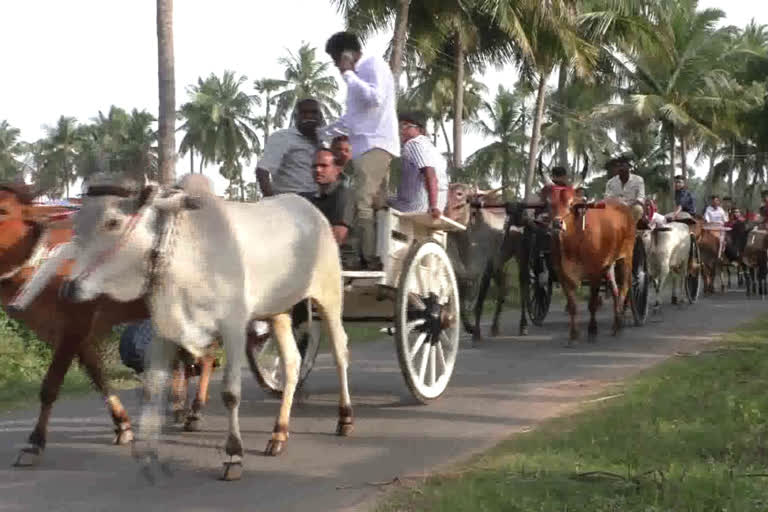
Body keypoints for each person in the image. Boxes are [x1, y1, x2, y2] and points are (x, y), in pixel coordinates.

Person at [323, 31, 399, 270]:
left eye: (336, 60)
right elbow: (352, 120)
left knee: (359, 202)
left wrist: (347, 74)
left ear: (346, 54)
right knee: (375, 205)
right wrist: (323, 132)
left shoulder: (371, 65)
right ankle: (377, 254)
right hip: (365, 147)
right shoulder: (358, 76)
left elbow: (375, 98)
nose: (336, 66)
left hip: (375, 145)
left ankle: (368, 259)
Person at [256, 98, 324, 198]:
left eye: (314, 112)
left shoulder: (324, 141)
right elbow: (262, 170)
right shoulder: (282, 137)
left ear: (320, 117)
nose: (309, 116)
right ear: (296, 117)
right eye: (304, 113)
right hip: (292, 199)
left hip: (320, 200)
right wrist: (271, 201)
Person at [388, 111, 448, 219]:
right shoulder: (433, 149)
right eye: (400, 126)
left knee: (372, 200)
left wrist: (433, 206)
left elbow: (430, 173)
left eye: (406, 126)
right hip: (436, 208)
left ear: (420, 130)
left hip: (416, 207)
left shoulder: (413, 143)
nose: (401, 130)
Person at [311, 148, 354, 246]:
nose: (318, 170)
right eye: (314, 166)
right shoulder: (314, 198)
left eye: (324, 166)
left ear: (337, 170)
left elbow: (338, 237)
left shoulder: (343, 194)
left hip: (342, 258)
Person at [604, 155, 645, 221]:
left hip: (632, 208)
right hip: (616, 208)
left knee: (638, 208)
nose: (620, 168)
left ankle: (633, 228)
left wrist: (628, 205)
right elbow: (607, 199)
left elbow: (641, 198)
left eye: (622, 165)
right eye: (618, 166)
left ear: (629, 166)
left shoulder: (638, 180)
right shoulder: (610, 182)